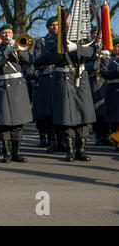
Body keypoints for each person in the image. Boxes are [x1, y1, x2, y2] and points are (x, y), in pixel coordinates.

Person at [38, 19, 96, 162]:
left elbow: (92, 52)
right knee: (66, 116)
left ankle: (81, 150)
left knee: (83, 114)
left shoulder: (83, 40)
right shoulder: (52, 40)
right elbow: (42, 60)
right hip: (63, 78)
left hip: (80, 78)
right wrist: (61, 51)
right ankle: (70, 150)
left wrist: (76, 48)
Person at [0, 24, 32, 163]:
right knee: (4, 123)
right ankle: (7, 153)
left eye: (9, 32)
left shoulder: (19, 46)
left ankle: (16, 153)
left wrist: (17, 50)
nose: (7, 35)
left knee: (18, 123)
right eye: (4, 33)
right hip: (2, 87)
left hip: (18, 87)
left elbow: (29, 60)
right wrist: (5, 53)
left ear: (13, 34)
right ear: (0, 36)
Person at [33, 17, 65, 152]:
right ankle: (52, 140)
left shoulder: (63, 39)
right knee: (49, 112)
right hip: (47, 75)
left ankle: (63, 140)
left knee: (61, 110)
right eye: (52, 25)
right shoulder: (41, 41)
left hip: (61, 75)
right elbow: (38, 59)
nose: (55, 27)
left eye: (57, 24)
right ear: (47, 27)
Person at [85, 27, 110, 146]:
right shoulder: (88, 47)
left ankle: (106, 136)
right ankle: (98, 136)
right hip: (94, 79)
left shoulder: (107, 47)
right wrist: (92, 66)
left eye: (100, 34)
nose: (98, 36)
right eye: (95, 33)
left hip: (106, 81)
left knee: (106, 110)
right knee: (97, 110)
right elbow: (83, 63)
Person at [100, 37, 119, 152]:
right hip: (113, 89)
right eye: (116, 47)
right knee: (115, 118)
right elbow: (104, 73)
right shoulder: (107, 59)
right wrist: (116, 71)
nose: (118, 49)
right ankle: (116, 141)